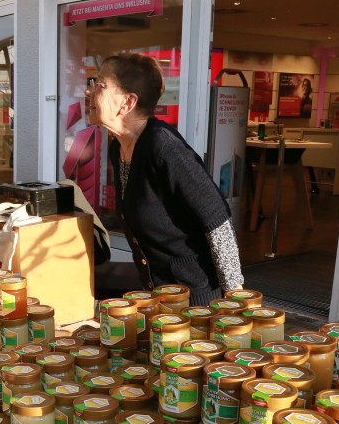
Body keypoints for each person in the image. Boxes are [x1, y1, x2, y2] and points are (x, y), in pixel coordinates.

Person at [86, 53, 244, 305]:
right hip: (159, 293)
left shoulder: (163, 146)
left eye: (100, 85)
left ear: (127, 102)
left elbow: (217, 219)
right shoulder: (119, 148)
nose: (89, 91)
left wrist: (234, 298)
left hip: (196, 300)